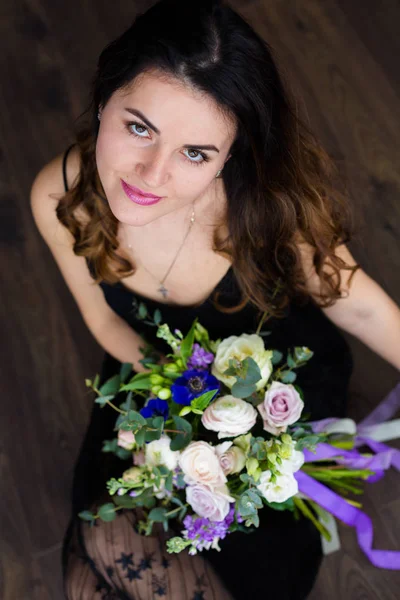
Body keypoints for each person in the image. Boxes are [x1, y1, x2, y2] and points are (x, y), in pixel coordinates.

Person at [30, 1, 400, 598]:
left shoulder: (268, 210)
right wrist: (171, 424)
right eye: (139, 127)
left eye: (195, 153)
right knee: (90, 575)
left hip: (270, 390)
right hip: (154, 380)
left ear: (230, 155)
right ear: (103, 102)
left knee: (105, 546)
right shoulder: (60, 195)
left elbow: (359, 306)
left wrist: (226, 434)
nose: (151, 174)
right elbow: (104, 324)